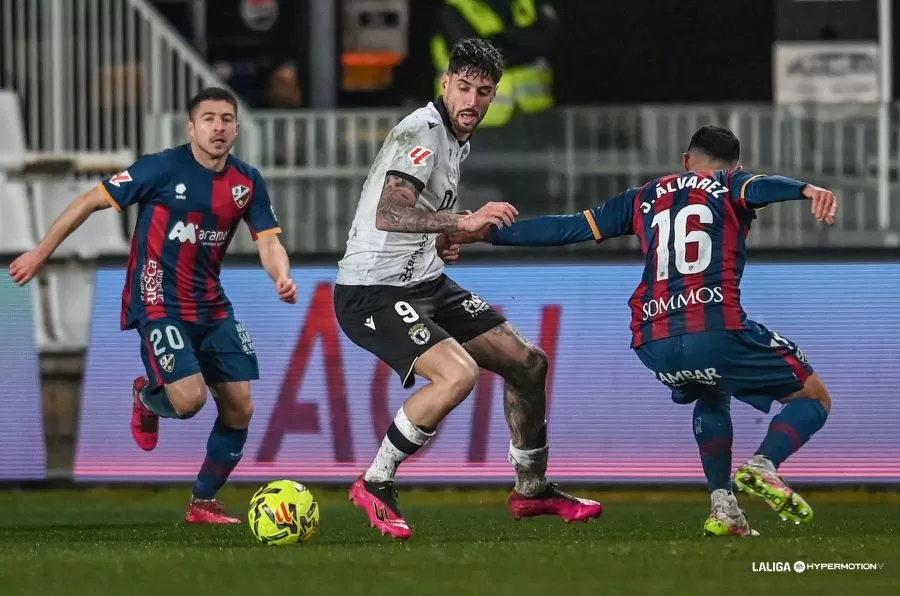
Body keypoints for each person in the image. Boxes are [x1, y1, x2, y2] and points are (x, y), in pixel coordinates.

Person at [450, 125, 836, 537]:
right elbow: (760, 188)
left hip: (653, 337)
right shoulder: (729, 183)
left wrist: (481, 233)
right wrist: (804, 189)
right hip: (714, 327)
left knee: (711, 390)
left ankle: (724, 507)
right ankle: (764, 465)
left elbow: (564, 229)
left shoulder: (642, 197)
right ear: (736, 166)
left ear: (685, 161)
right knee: (813, 397)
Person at [333, 37, 602, 541]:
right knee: (457, 376)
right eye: (463, 87)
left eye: (484, 91)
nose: (472, 101)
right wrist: (465, 218)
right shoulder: (423, 130)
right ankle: (376, 481)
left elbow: (417, 219)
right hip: (373, 291)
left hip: (423, 282)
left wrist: (446, 235)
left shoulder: (456, 140)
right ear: (444, 83)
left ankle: (532, 489)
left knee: (528, 363)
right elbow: (388, 212)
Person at [9, 87, 297, 524]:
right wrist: (39, 252)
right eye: (208, 119)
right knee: (188, 401)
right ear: (191, 127)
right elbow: (89, 200)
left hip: (212, 305)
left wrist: (280, 275)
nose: (218, 127)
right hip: (157, 299)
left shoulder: (246, 182)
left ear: (237, 128)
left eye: (226, 119)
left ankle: (203, 502)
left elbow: (269, 240)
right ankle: (147, 396)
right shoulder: (162, 168)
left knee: (241, 406)